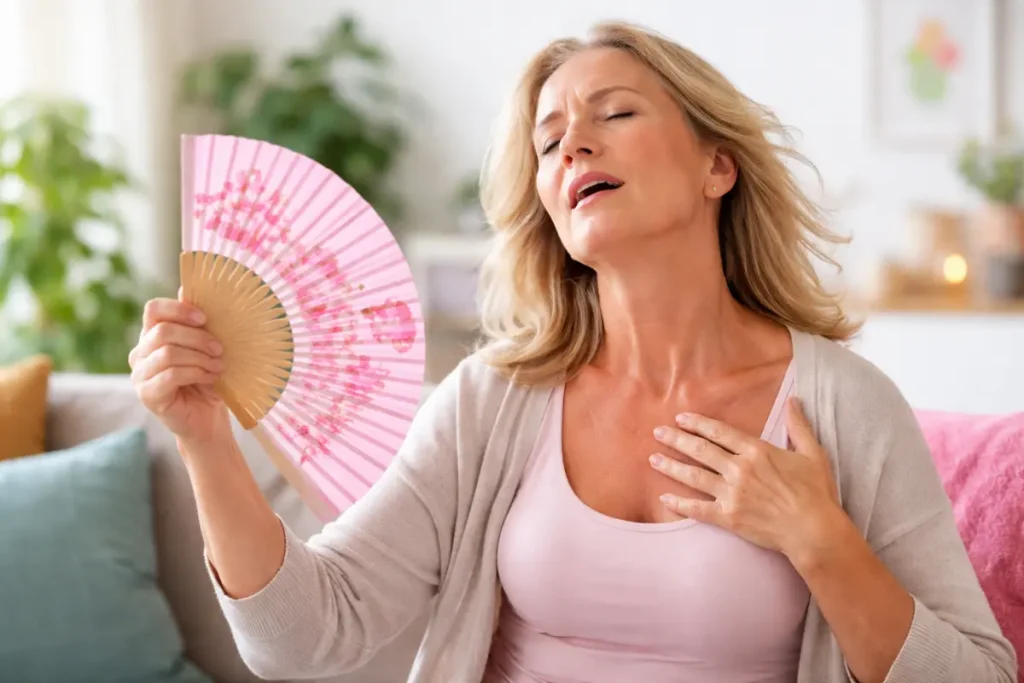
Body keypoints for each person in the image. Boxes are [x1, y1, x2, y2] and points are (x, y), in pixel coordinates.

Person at [129, 20, 1017, 683]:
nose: (573, 144)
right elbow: (304, 635)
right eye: (549, 141)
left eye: (615, 113)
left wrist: (821, 541)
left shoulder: (842, 407)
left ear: (719, 166)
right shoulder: (492, 402)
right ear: (550, 206)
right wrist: (206, 439)